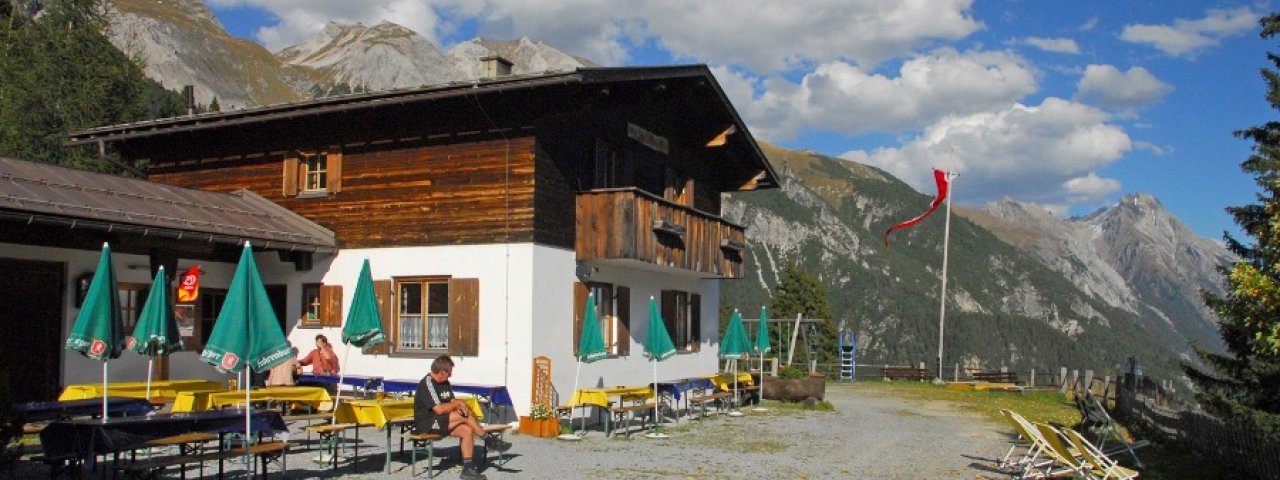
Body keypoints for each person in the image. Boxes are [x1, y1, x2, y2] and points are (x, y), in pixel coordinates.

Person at [414, 356, 510, 480]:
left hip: (442, 421)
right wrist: (457, 405)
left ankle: (467, 470)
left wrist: (459, 405)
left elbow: (452, 400)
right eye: (449, 373)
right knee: (464, 414)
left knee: (467, 430)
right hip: (427, 423)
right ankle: (487, 439)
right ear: (442, 371)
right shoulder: (427, 383)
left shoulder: (445, 383)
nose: (450, 376)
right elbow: (438, 409)